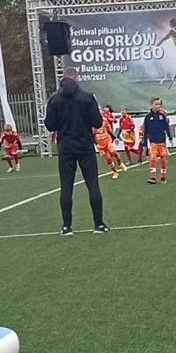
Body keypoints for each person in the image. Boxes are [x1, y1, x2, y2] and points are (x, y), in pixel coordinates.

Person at [44, 64, 108, 237]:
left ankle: (67, 227)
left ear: (63, 78)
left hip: (65, 147)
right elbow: (97, 122)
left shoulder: (54, 100)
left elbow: (50, 125)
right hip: (85, 145)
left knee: (66, 187)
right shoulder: (87, 97)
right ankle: (98, 224)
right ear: (77, 78)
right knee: (93, 184)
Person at [142, 97, 172, 184]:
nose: (158, 106)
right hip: (153, 142)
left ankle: (163, 177)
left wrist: (170, 137)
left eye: (159, 104)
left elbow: (166, 127)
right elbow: (145, 131)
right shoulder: (148, 117)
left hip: (162, 141)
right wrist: (145, 144)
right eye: (156, 104)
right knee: (153, 158)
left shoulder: (162, 116)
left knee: (163, 158)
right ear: (152, 105)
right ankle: (153, 177)